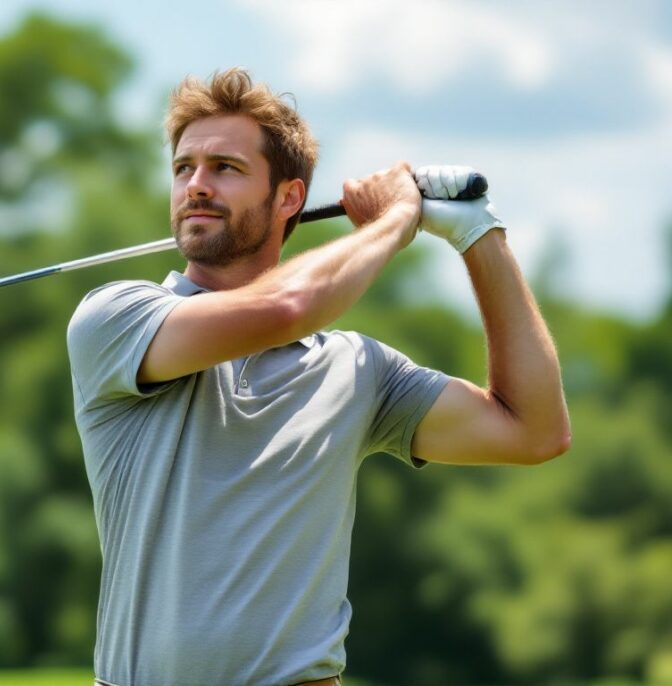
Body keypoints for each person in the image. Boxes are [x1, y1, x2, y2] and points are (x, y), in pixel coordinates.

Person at [65, 68, 571, 686]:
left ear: (288, 199)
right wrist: (396, 221)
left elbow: (534, 430)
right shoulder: (115, 319)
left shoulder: (356, 369)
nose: (195, 185)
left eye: (224, 166)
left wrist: (478, 234)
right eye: (183, 168)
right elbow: (285, 308)